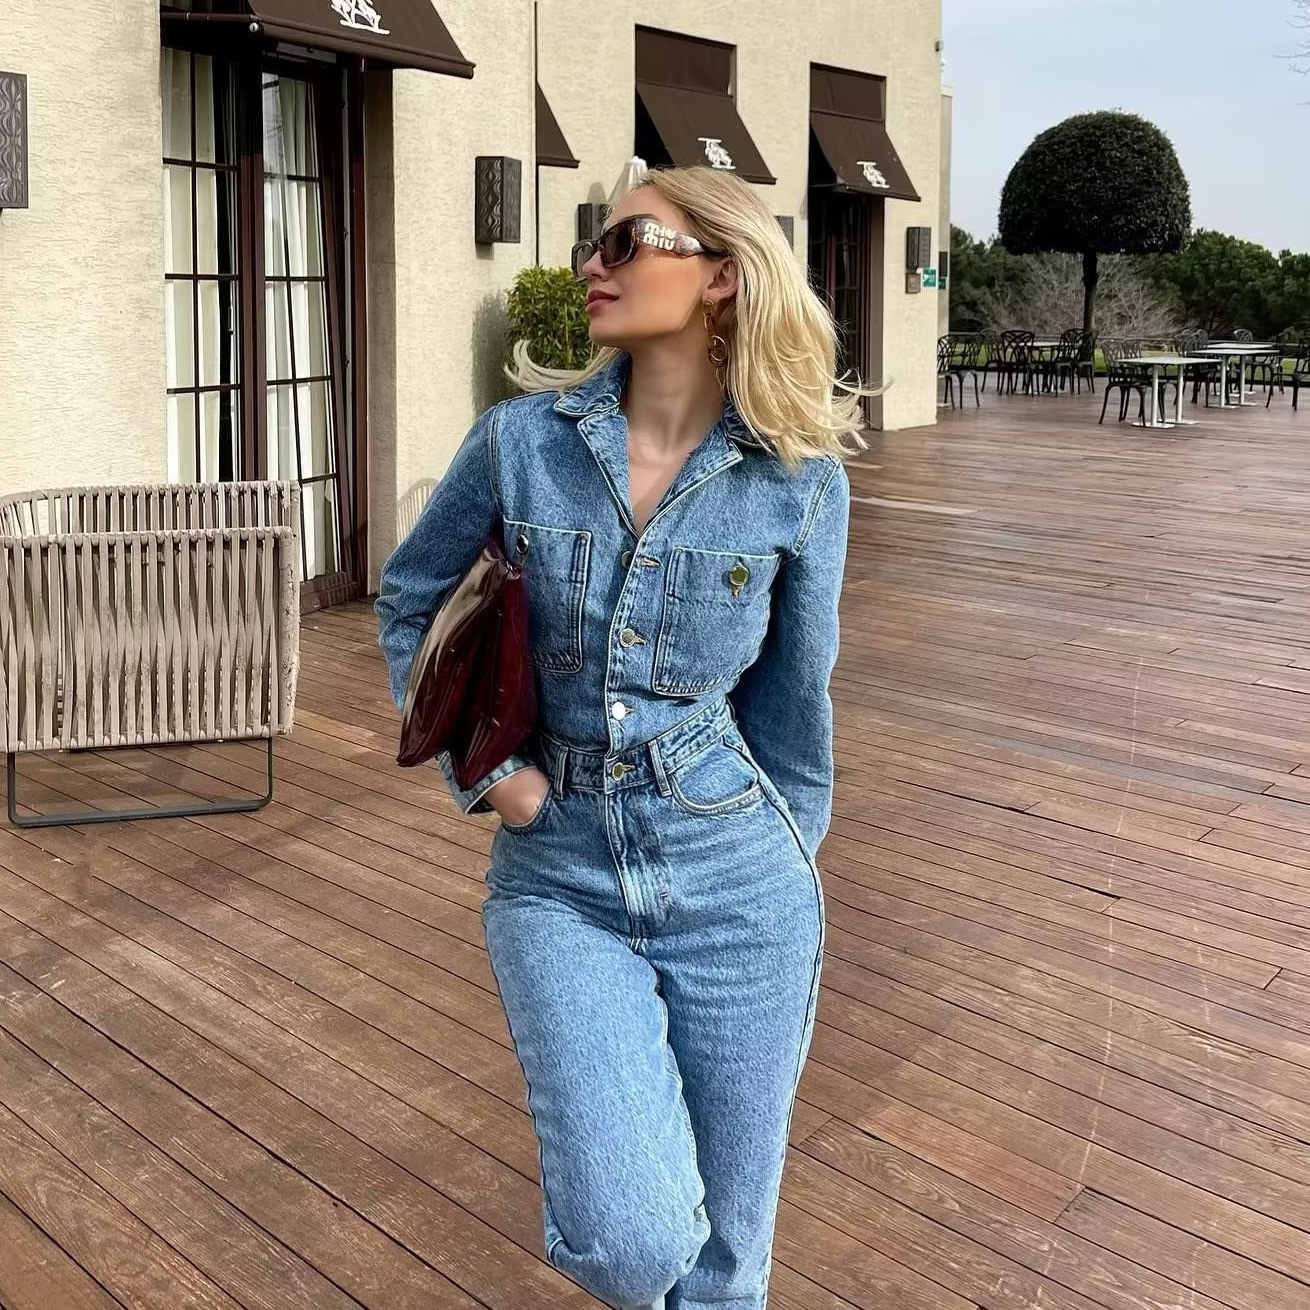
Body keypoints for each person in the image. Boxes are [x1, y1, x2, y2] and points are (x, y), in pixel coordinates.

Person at [375, 163, 875, 1310]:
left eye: (623, 242)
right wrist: (492, 774)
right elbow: (409, 600)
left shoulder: (797, 482)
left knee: (725, 1261)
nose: (589, 267)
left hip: (739, 876)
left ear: (723, 277)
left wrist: (785, 854)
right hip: (558, 874)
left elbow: (794, 707)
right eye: (591, 244)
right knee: (632, 1236)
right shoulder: (519, 444)